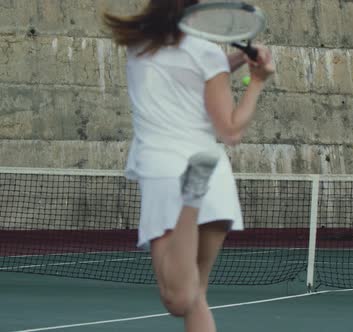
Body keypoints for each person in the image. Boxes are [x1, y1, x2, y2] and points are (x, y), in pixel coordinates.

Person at [103, 1, 274, 331]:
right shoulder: (207, 56)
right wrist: (257, 80)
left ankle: (191, 200)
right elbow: (230, 129)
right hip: (215, 176)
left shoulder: (137, 44)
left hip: (166, 174)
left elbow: (182, 75)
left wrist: (242, 69)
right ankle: (193, 196)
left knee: (179, 299)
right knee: (195, 294)